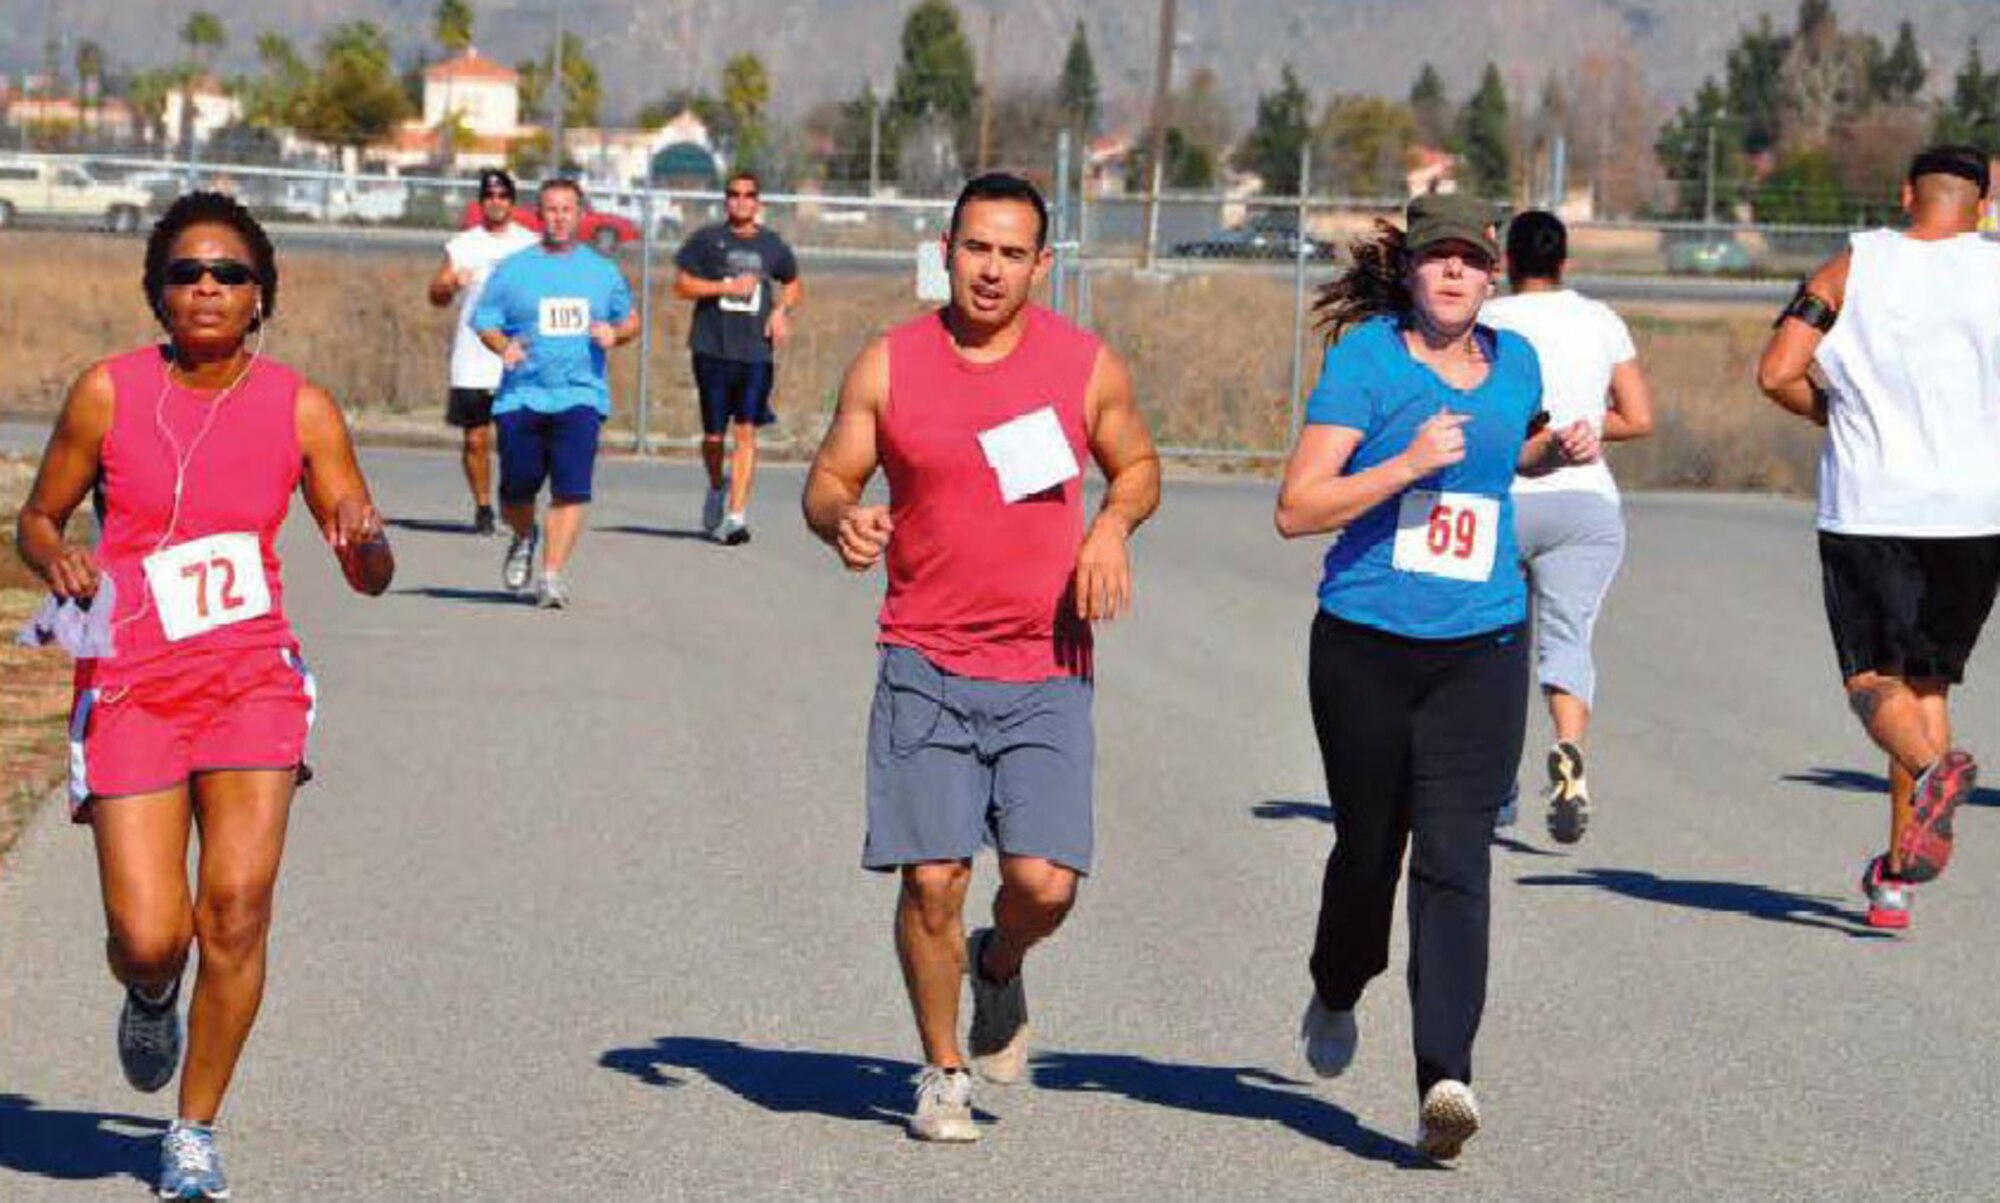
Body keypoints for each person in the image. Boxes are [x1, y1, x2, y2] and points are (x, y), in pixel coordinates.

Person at [14, 191, 394, 1199]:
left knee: (236, 907)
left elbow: (364, 565)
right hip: (133, 681)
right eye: (185, 273)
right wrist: (60, 557)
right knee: (151, 932)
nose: (207, 288)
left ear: (260, 294)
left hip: (249, 682)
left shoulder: (302, 407)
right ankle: (150, 990)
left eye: (228, 273)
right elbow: (37, 520)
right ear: (157, 293)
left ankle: (192, 1127)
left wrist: (369, 543)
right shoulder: (107, 393)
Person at [803, 173, 1159, 1144]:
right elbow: (827, 479)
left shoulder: (1082, 367)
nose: (989, 269)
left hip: (1044, 665)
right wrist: (845, 516)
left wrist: (1110, 527)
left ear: (1040, 265)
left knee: (1043, 883)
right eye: (974, 248)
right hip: (923, 659)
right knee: (929, 879)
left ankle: (996, 965)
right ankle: (943, 1069)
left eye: (1010, 252)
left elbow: (1136, 466)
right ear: (944, 250)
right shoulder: (889, 364)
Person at [1274, 193, 1598, 1161]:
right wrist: (1404, 463)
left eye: (1468, 258)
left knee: (1457, 859)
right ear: (1409, 272)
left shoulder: (1517, 363)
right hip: (1364, 644)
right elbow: (1296, 507)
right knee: (1367, 854)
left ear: (1491, 274)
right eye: (1435, 258)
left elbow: (1502, 463)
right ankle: (1336, 986)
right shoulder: (1367, 361)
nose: (1452, 272)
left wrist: (1550, 453)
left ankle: (1442, 1082)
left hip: (1482, 644)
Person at [1757, 144, 1999, 930]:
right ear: (1983, 201)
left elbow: (1777, 371)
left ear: (1906, 194)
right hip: (1975, 515)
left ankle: (1936, 775)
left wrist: (1837, 412)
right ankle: (1896, 875)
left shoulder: (1851, 265)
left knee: (1873, 684)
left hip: (1872, 509)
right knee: (1925, 688)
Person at [1482, 210, 1654, 841]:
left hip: (1502, 498)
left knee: (1494, 643)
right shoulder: (1601, 320)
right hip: (1584, 505)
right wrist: (1585, 426)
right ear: (1565, 264)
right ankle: (1569, 749)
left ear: (1504, 264)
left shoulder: (1488, 321)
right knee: (1568, 640)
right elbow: (1639, 416)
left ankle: (1496, 784)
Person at [474, 177, 639, 608]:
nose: (559, 218)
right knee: (515, 491)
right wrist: (502, 346)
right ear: (538, 214)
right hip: (522, 395)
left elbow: (631, 320)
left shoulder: (602, 272)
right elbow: (484, 320)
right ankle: (525, 535)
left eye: (567, 209)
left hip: (581, 394)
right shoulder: (514, 269)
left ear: (581, 215)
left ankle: (550, 575)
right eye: (550, 209)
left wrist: (615, 334)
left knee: (571, 489)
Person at [674, 170, 801, 544]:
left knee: (746, 431)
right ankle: (716, 486)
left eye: (748, 195)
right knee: (714, 436)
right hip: (712, 347)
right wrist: (724, 286)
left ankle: (736, 515)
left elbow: (792, 283)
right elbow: (681, 285)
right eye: (734, 194)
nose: (741, 201)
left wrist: (780, 312)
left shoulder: (772, 245)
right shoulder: (707, 240)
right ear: (726, 200)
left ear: (758, 201)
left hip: (755, 352)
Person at [427, 168, 537, 535]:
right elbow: (437, 296)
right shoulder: (463, 245)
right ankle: (483, 506)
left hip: (517, 354)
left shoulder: (530, 245)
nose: (496, 202)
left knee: (516, 438)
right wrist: (448, 284)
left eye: (503, 196)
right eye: (490, 196)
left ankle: (514, 501)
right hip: (474, 356)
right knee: (475, 438)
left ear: (512, 201)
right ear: (481, 201)